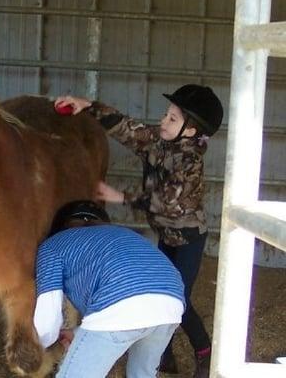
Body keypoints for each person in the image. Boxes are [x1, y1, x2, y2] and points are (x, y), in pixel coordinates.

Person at [55, 84, 223, 378]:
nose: (163, 121)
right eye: (166, 114)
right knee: (163, 293)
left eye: (172, 118)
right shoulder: (158, 142)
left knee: (178, 300)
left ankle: (205, 352)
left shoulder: (190, 161)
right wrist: (88, 105)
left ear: (191, 131)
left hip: (187, 238)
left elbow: (172, 204)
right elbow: (127, 128)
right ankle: (164, 357)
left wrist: (123, 197)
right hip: (166, 235)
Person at [34, 200, 185, 378]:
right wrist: (77, 334)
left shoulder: (52, 246)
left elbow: (47, 318)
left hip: (120, 301)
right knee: (142, 374)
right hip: (171, 300)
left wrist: (40, 344)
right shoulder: (124, 233)